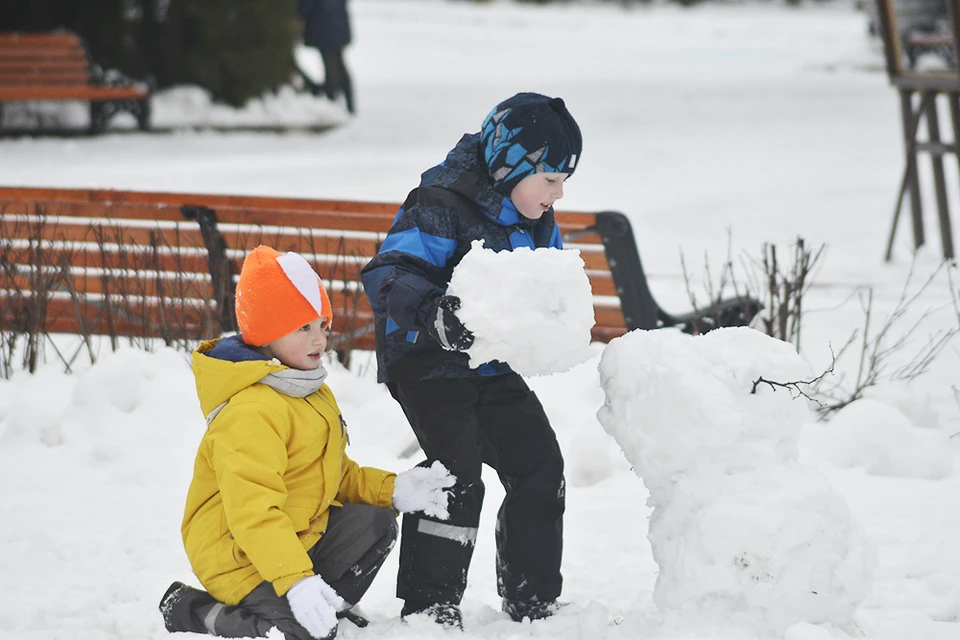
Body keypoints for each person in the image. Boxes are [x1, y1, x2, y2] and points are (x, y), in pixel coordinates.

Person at [360, 92, 583, 629]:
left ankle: (532, 598)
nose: (557, 194)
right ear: (510, 163)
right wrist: (436, 313)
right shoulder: (441, 203)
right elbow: (389, 273)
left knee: (539, 464)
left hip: (488, 362)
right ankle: (428, 605)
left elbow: (543, 282)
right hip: (425, 362)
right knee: (456, 474)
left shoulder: (534, 218)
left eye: (563, 182)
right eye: (549, 179)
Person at [159, 245, 455, 640]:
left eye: (323, 326)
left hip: (297, 538)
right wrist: (295, 581)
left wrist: (394, 490)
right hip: (239, 558)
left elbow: (332, 473)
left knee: (377, 520)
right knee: (303, 635)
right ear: (265, 333)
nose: (320, 340)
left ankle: (323, 606)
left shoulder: (308, 391)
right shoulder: (251, 412)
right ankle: (195, 611)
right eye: (303, 328)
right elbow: (254, 513)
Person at [297, 0, 355, 114]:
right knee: (338, 64)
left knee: (331, 67)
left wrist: (301, 16)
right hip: (337, 21)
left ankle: (332, 102)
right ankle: (349, 105)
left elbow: (307, 4)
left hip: (323, 24)